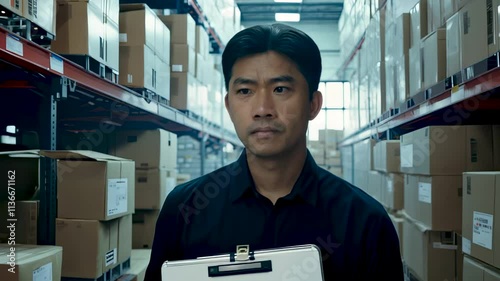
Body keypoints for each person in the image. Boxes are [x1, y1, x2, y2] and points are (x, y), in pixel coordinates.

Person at [144, 23, 404, 280]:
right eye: (245, 91)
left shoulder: (363, 222)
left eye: (280, 89)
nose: (263, 109)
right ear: (228, 105)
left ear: (314, 104)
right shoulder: (185, 210)